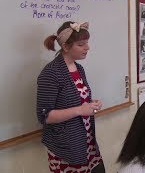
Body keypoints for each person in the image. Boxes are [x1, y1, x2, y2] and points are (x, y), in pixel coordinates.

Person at [37, 21, 105, 172]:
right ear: (66, 47)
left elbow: (78, 101)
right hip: (66, 147)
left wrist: (90, 104)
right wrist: (80, 110)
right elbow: (44, 116)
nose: (87, 48)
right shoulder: (51, 73)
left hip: (86, 141)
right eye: (81, 44)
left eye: (87, 43)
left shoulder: (79, 68)